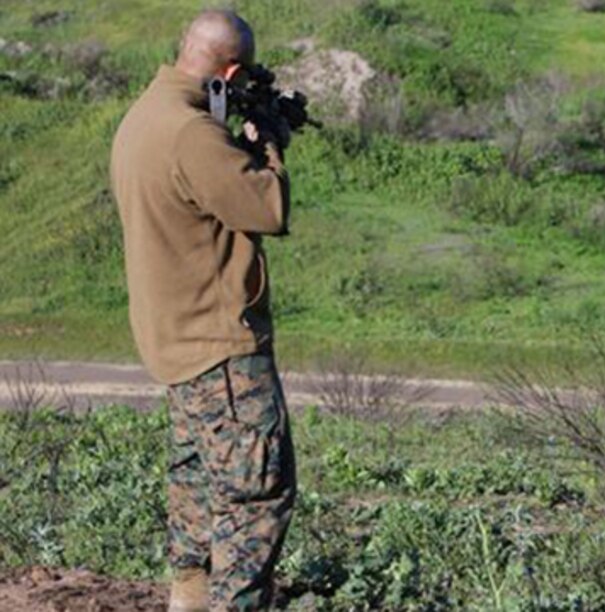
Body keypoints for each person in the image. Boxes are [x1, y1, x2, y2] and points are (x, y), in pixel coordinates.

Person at [111, 10, 295, 611]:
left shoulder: (146, 116)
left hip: (176, 345)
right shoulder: (192, 135)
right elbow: (267, 210)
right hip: (219, 349)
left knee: (195, 498)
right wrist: (267, 143)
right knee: (253, 501)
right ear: (231, 70)